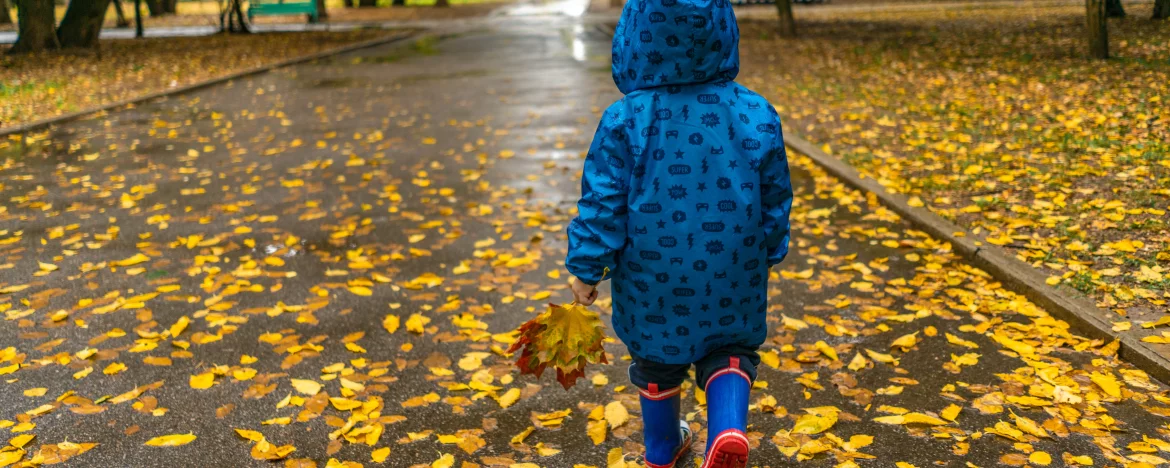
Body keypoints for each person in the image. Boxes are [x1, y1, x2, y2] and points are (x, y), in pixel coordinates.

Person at [564, 0, 793, 465]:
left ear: (633, 39)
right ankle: (727, 429)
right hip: (734, 266)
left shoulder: (625, 119)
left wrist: (586, 268)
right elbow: (774, 193)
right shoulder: (755, 111)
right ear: (722, 30)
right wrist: (770, 247)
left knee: (657, 358)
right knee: (730, 349)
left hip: (653, 275)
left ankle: (662, 450)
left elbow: (603, 201)